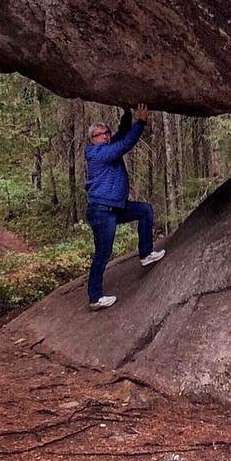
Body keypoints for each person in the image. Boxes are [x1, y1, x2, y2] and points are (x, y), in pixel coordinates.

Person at [84, 102, 165, 310]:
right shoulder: (96, 153)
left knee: (145, 210)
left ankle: (146, 254)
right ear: (93, 139)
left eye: (107, 133)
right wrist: (140, 122)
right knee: (103, 253)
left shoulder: (107, 147)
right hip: (102, 211)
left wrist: (127, 114)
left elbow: (120, 135)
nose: (106, 136)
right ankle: (95, 297)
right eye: (102, 134)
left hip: (115, 207)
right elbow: (125, 143)